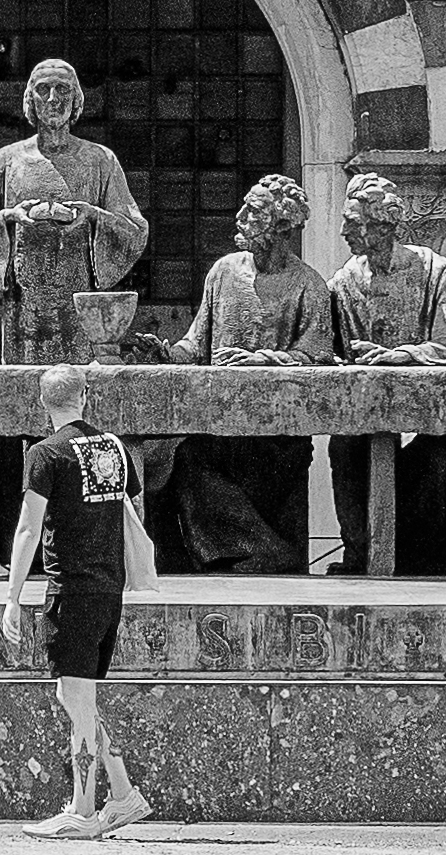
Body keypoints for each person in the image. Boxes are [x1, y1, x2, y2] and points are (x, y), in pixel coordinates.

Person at [132, 174, 333, 573]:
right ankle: (233, 553)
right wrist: (168, 354)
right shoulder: (223, 272)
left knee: (194, 459)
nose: (240, 216)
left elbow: (318, 356)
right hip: (217, 425)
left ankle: (265, 550)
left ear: (281, 225)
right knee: (173, 456)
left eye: (254, 211)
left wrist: (266, 360)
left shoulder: (309, 286)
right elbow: (197, 344)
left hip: (275, 431)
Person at [2, 364, 152, 840]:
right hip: (108, 588)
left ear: (43, 402)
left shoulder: (45, 454)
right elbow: (128, 508)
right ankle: (124, 794)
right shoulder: (114, 448)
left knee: (78, 701)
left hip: (72, 589)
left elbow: (28, 528)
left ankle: (84, 810)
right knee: (75, 695)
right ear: (85, 397)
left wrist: (11, 596)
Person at [324, 173, 446, 576]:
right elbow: (328, 351)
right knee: (344, 446)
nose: (344, 232)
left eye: (353, 223)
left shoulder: (436, 272)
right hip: (363, 410)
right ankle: (362, 553)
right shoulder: (343, 282)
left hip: (423, 413)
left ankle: (430, 558)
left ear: (384, 225)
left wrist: (403, 355)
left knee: (441, 450)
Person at [0, 58, 148, 364]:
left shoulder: (100, 160)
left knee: (75, 389)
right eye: (43, 89)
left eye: (62, 89)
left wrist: (93, 215)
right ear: (30, 99)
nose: (52, 98)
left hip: (77, 299)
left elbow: (135, 229)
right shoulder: (6, 160)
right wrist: (9, 216)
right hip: (23, 301)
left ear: (76, 99)